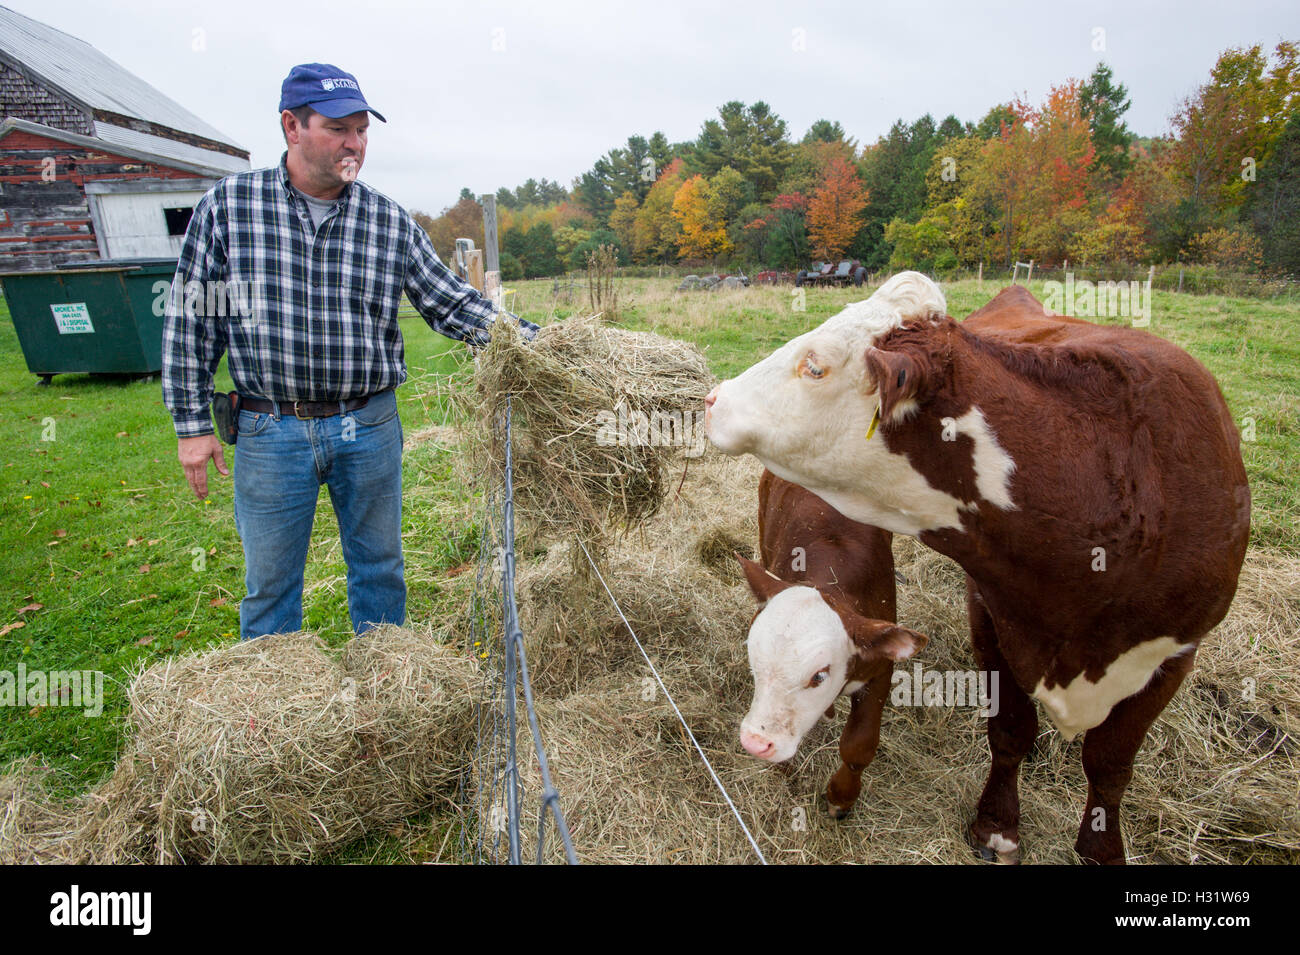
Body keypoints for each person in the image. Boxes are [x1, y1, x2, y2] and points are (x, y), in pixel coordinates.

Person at [162, 63, 536, 641]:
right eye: (339, 128)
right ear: (292, 126)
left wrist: (541, 343)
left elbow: (452, 304)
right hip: (270, 428)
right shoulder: (228, 209)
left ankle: (384, 687)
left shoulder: (387, 221)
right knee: (270, 583)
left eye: (362, 130)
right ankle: (272, 698)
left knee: (380, 568)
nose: (355, 143)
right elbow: (194, 321)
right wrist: (191, 424)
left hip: (368, 423)